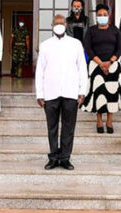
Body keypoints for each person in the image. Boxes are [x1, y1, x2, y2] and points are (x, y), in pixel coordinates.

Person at [36, 15, 88, 171]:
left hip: (70, 92)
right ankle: (53, 157)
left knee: (68, 127)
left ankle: (65, 157)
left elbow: (82, 69)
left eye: (61, 23)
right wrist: (40, 94)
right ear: (52, 25)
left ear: (66, 25)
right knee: (51, 127)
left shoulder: (75, 44)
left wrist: (82, 91)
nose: (59, 25)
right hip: (50, 93)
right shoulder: (45, 45)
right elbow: (40, 71)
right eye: (56, 23)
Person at [82, 4, 121, 134]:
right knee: (98, 93)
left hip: (113, 65)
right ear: (96, 16)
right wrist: (100, 63)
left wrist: (110, 62)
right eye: (100, 15)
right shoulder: (91, 30)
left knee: (111, 93)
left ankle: (109, 120)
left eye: (105, 15)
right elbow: (88, 47)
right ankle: (99, 120)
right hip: (96, 65)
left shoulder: (115, 30)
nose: (102, 17)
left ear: (109, 16)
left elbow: (120, 48)